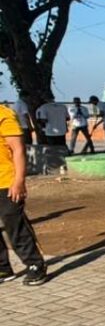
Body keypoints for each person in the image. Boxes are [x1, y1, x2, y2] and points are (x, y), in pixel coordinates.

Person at [0, 102, 47, 286]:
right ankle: (3, 267)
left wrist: (19, 181)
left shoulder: (4, 115)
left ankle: (35, 264)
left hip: (6, 181)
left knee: (14, 224)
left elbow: (18, 150)